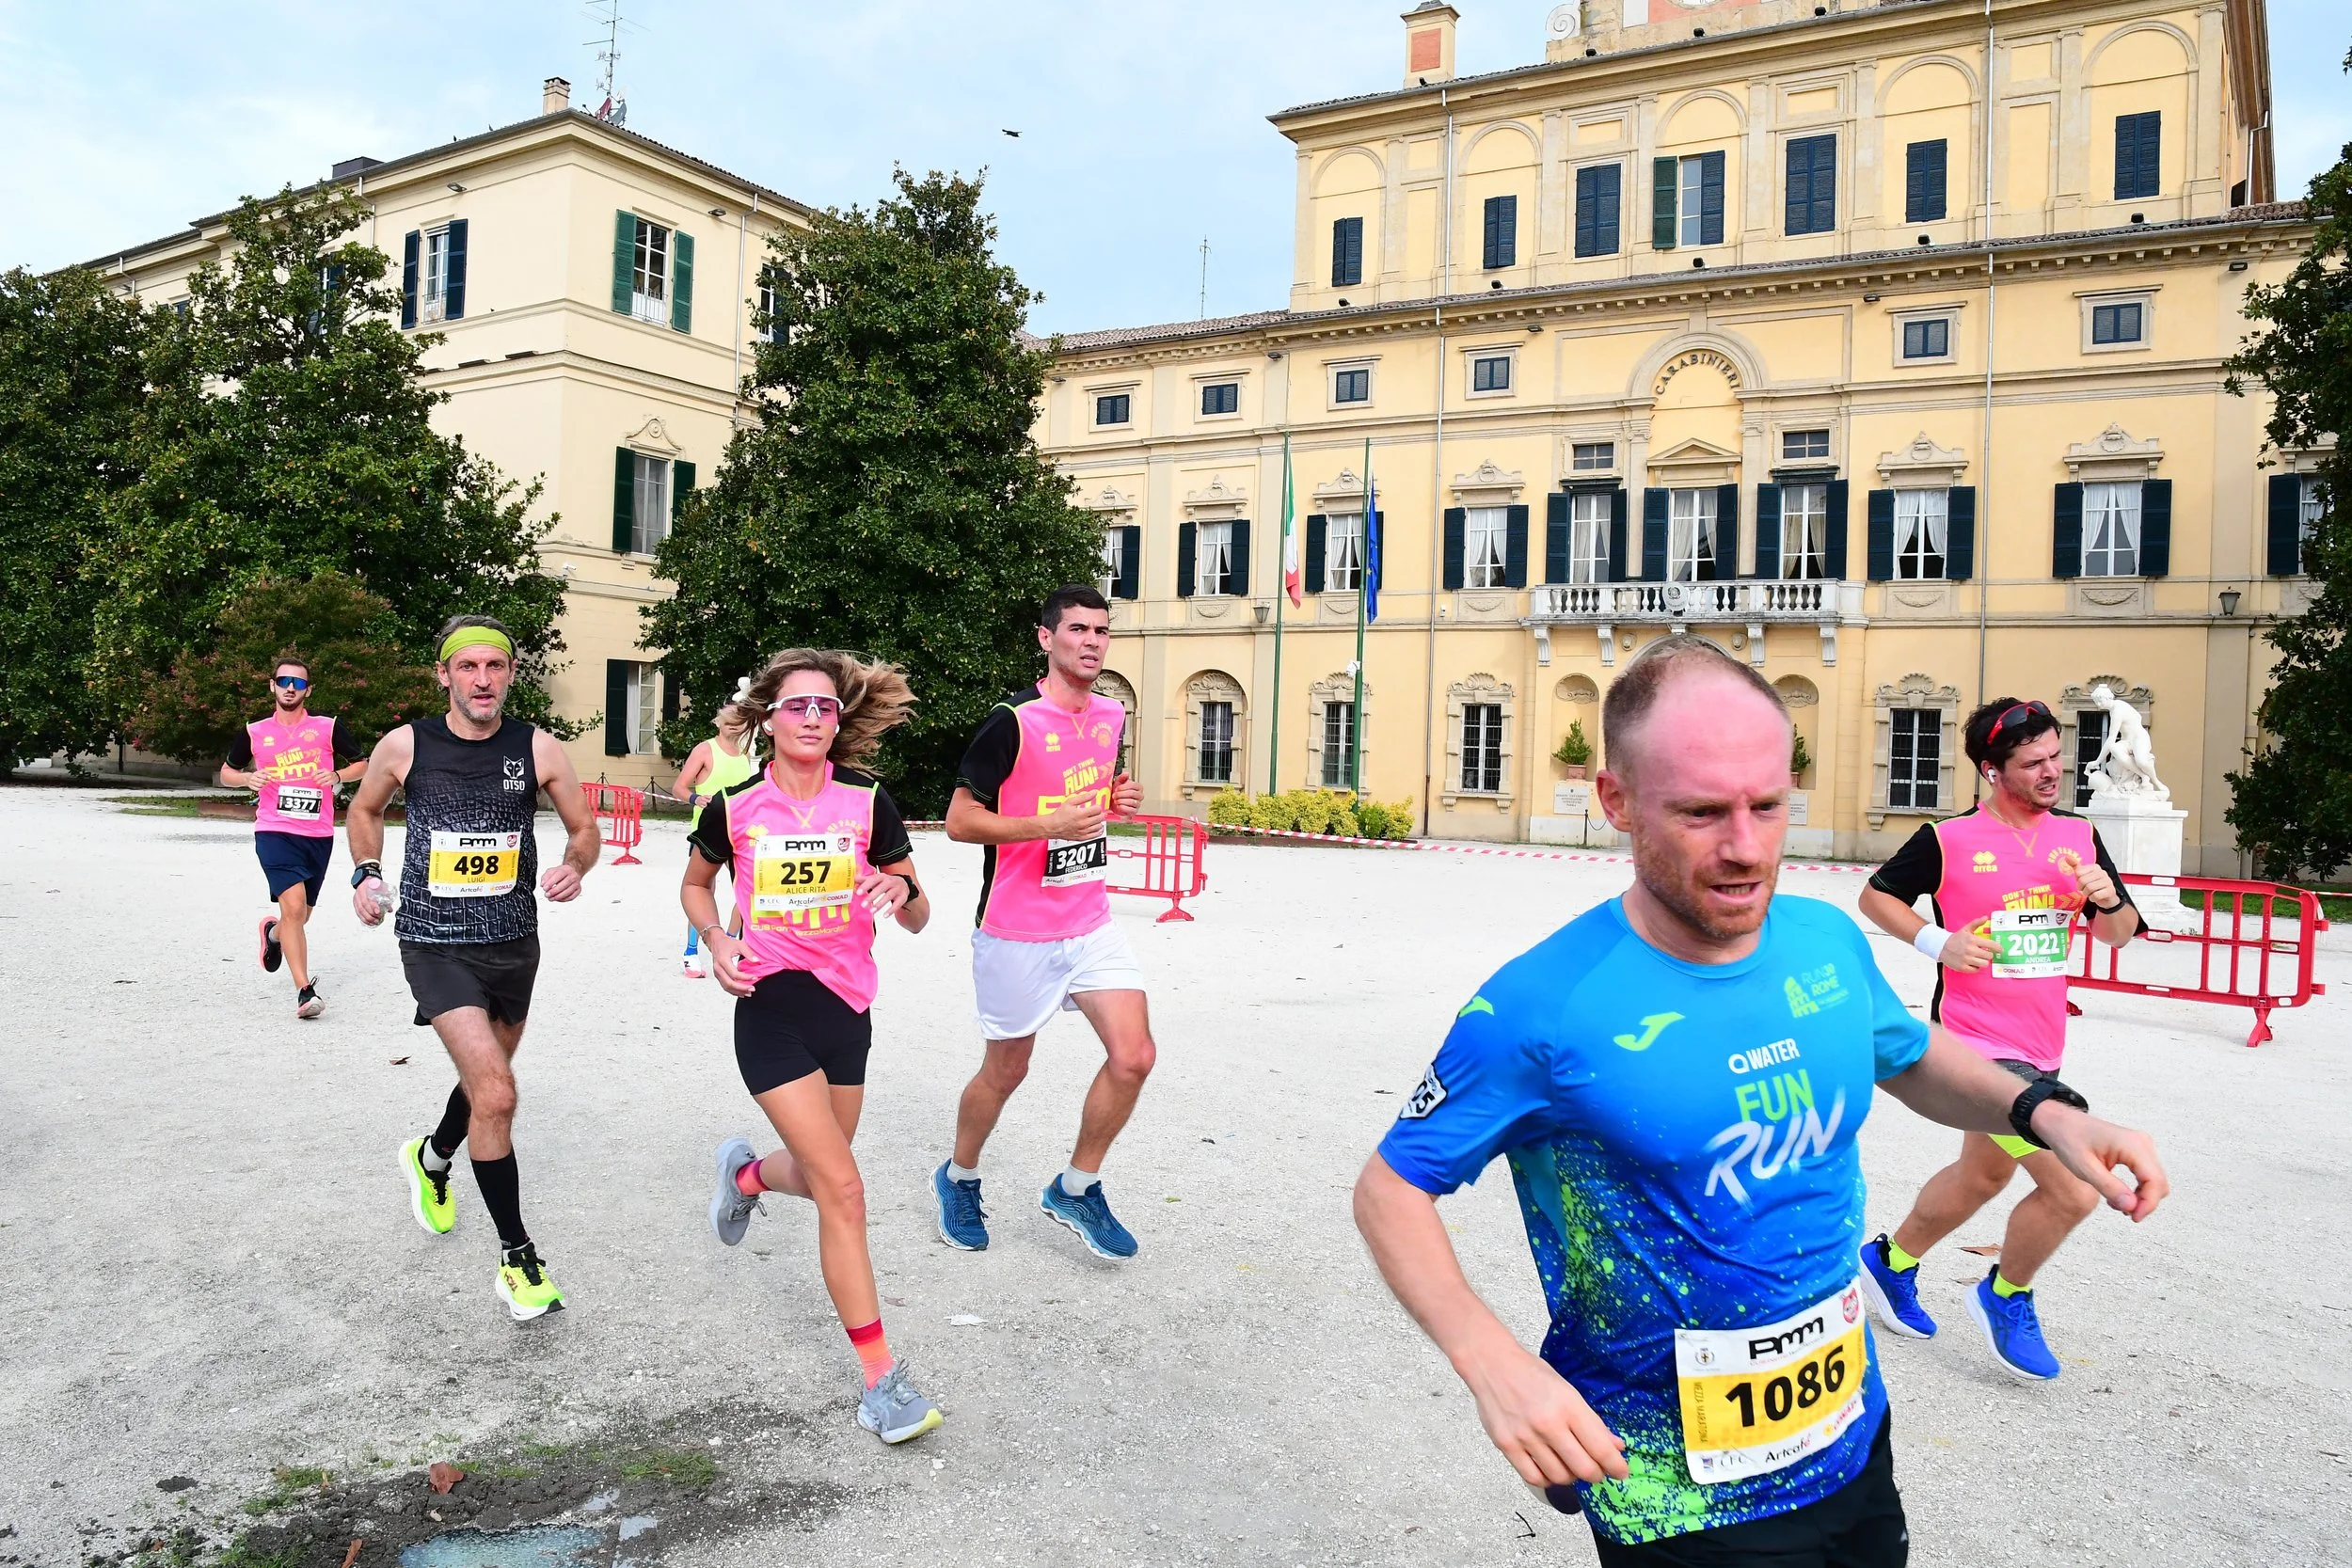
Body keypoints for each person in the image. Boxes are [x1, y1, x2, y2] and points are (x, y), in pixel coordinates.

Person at [1352, 636, 2167, 1564]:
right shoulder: (1541, 1004)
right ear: (1615, 800)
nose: (1745, 848)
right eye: (1701, 811)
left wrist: (2052, 1113)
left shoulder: (1821, 940)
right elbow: (1389, 1187)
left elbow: (1907, 1055)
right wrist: (1491, 1362)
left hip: (1851, 1441)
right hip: (1671, 1491)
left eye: (1768, 806)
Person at [687, 648, 945, 1446]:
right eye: (797, 706)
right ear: (768, 715)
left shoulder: (868, 801)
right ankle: (881, 1384)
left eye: (825, 708)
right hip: (769, 1007)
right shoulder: (733, 805)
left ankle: (747, 1174)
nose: (811, 719)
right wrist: (714, 939)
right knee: (846, 1188)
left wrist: (900, 890)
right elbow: (697, 883)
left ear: (839, 721)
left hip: (847, 1008)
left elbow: (920, 909)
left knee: (821, 1169)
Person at [1854, 697, 2144, 1381]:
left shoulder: (2077, 836)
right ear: (1992, 770)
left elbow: (2118, 934)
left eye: (2055, 755)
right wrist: (1939, 940)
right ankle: (2004, 1294)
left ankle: (1889, 1262)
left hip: (2042, 1043)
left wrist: (2108, 899)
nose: (2052, 770)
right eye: (2032, 762)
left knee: (1984, 1174)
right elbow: (1876, 896)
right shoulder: (1949, 839)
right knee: (2072, 1189)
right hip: (1976, 1047)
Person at [346, 616, 601, 1322]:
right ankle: (518, 1259)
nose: (482, 679)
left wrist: (575, 866)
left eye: (495, 666)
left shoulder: (538, 747)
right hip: (433, 942)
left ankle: (431, 1157)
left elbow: (584, 828)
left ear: (511, 674)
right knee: (496, 1092)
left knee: (487, 1083)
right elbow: (363, 809)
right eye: (468, 667)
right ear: (444, 674)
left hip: (514, 942)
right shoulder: (406, 744)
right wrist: (366, 874)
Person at [930, 585, 1151, 1259]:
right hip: (1015, 930)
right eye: (1078, 629)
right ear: (1045, 637)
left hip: (1088, 919)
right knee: (1006, 1070)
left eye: (1102, 631)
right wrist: (1044, 825)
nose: (1091, 641)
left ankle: (1076, 1187)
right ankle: (959, 1175)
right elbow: (959, 820)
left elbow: (1085, 793)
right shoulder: (1013, 721)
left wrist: (1116, 798)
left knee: (1134, 1055)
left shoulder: (1112, 716)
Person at [219, 656, 368, 1019]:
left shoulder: (328, 727)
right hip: (274, 830)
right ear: (272, 685)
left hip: (317, 834)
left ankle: (273, 935)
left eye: (298, 683)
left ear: (308, 690)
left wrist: (336, 776)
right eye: (284, 681)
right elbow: (226, 771)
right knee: (295, 907)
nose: (290, 688)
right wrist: (245, 780)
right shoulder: (254, 732)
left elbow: (362, 764)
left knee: (299, 917)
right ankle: (305, 991)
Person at [672, 704, 758, 978]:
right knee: (702, 890)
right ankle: (690, 952)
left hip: (742, 833)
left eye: (739, 722)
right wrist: (698, 798)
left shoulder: (745, 755)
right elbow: (679, 787)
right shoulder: (705, 750)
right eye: (729, 722)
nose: (734, 726)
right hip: (707, 832)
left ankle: (732, 942)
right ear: (719, 723)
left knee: (749, 893)